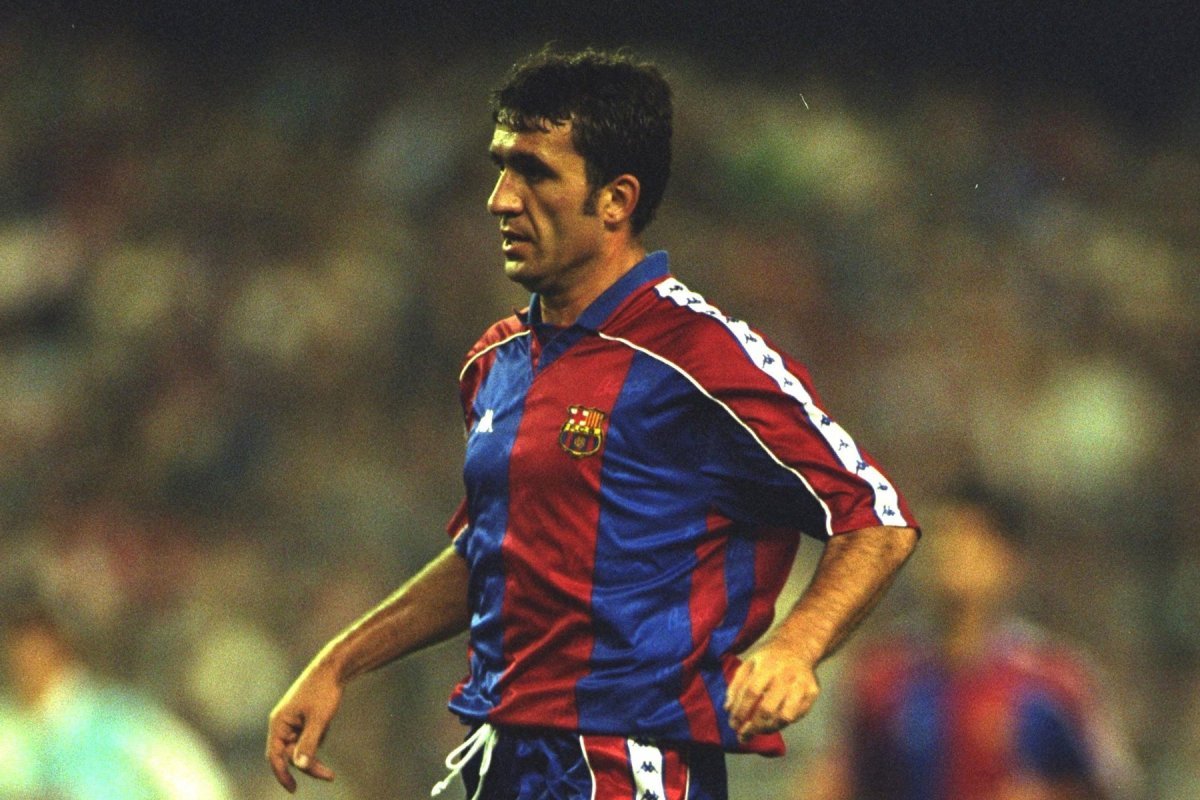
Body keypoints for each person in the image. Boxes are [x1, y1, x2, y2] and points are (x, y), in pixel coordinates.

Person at [266, 47, 919, 800]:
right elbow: (494, 554)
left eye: (534, 173)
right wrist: (339, 661)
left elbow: (877, 519)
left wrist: (795, 648)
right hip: (503, 757)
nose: (500, 200)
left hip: (627, 761)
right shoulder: (495, 361)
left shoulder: (696, 354)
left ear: (615, 200)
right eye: (501, 167)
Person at [799, 481, 1142, 800]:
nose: (950, 555)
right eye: (940, 539)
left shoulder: (1054, 679)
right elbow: (833, 781)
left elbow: (1113, 786)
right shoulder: (880, 674)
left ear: (1007, 560)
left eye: (968, 540)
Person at [0, 596, 234, 800]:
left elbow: (198, 784)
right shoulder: (10, 727)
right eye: (18, 652)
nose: (27, 663)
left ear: (59, 649)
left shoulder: (120, 720)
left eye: (35, 651)